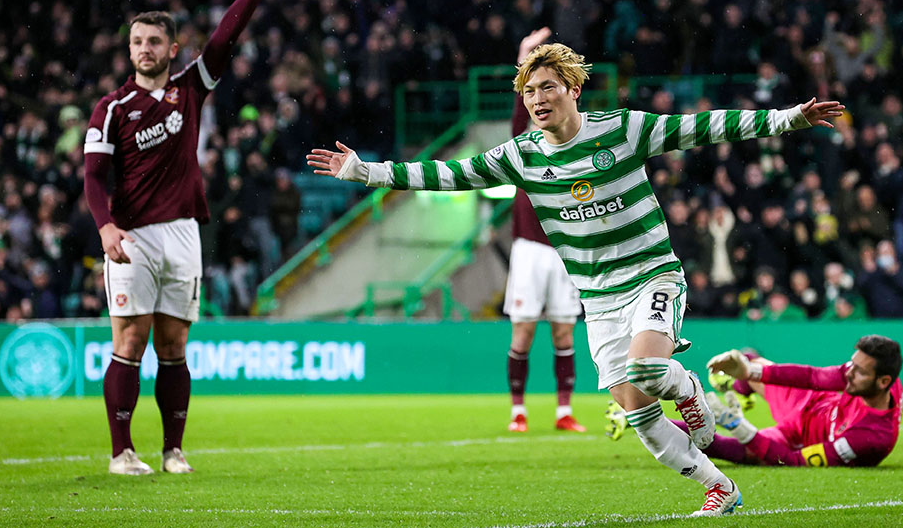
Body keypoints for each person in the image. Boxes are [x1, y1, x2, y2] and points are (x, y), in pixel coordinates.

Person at [308, 41, 844, 515]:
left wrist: (787, 118)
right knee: (636, 413)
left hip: (651, 274)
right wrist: (367, 171)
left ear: (572, 88)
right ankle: (718, 487)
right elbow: (449, 175)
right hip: (598, 297)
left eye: (547, 87)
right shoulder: (521, 156)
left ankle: (693, 396)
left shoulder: (623, 129)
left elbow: (702, 127)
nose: (537, 99)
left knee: (651, 369)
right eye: (528, 93)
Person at [83, 0, 293, 476]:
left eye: (154, 42)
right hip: (130, 237)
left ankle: (173, 450)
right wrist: (105, 227)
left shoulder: (188, 89)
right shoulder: (111, 108)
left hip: (183, 233)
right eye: (137, 43)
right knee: (130, 340)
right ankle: (120, 452)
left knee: (174, 346)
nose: (144, 50)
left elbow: (224, 39)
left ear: (172, 49)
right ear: (128, 50)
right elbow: (92, 177)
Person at [641, 335, 903, 468]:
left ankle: (649, 421)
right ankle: (740, 382)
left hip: (796, 435)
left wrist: (739, 427)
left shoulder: (871, 438)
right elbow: (814, 376)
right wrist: (750, 372)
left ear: (883, 382)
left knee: (747, 451)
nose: (850, 372)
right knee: (754, 365)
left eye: (860, 371)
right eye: (852, 363)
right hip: (812, 401)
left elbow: (797, 460)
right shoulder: (860, 376)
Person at [504, 28, 585, 434]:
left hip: (564, 250)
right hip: (530, 249)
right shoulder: (525, 148)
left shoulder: (580, 147)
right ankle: (518, 411)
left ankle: (563, 412)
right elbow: (523, 113)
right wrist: (524, 58)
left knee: (563, 329)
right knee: (523, 330)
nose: (539, 102)